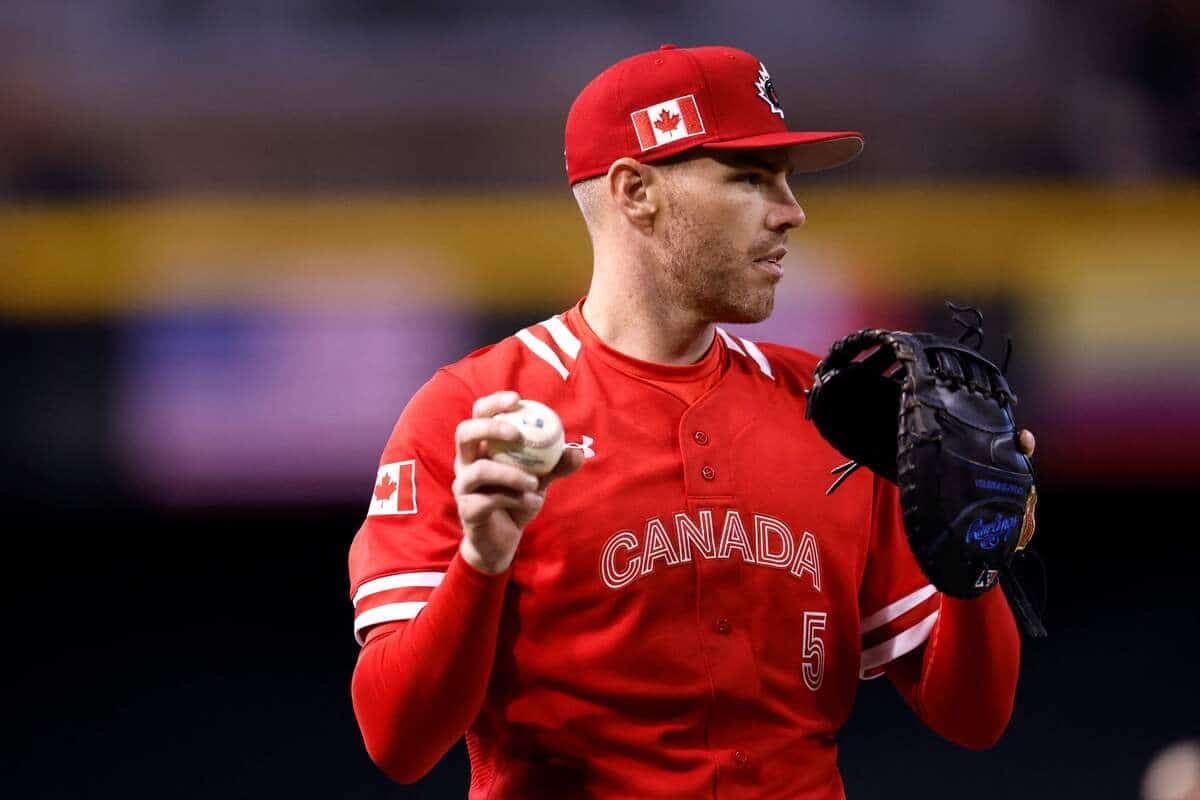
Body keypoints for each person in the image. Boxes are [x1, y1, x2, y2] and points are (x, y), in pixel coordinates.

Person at [348, 44, 1031, 799]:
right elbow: (397, 741)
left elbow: (975, 719)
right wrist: (482, 561)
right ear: (635, 192)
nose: (791, 211)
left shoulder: (833, 408)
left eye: (787, 180)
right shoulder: (475, 412)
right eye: (750, 178)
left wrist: (976, 559)